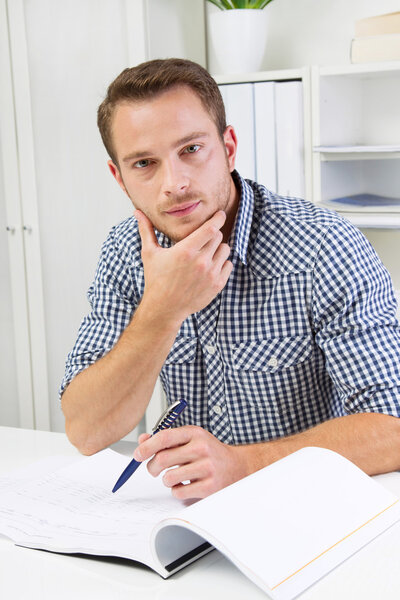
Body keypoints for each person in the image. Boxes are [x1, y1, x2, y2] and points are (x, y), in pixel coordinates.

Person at [61, 58, 400, 500]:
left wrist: (243, 464)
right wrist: (163, 308)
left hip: (312, 506)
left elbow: (392, 426)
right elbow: (87, 431)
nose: (174, 183)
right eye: (144, 163)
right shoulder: (126, 251)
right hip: (193, 518)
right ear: (120, 179)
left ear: (229, 147)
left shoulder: (324, 245)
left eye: (191, 149)